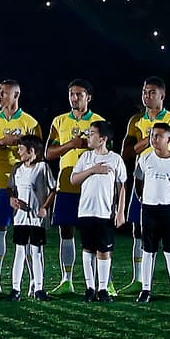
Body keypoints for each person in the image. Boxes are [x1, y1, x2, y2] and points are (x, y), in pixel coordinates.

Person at [122, 76, 170, 294]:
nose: (146, 95)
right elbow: (126, 153)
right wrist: (149, 138)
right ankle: (139, 280)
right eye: (144, 91)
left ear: (162, 95)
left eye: (152, 92)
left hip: (168, 188)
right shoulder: (135, 121)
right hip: (144, 182)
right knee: (138, 231)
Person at [0, 79, 42, 296]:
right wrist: (1, 143)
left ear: (16, 95)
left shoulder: (30, 122)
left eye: (4, 93)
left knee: (28, 234)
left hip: (25, 187)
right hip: (0, 186)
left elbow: (39, 154)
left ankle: (34, 283)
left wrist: (21, 143)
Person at [46, 79, 104, 294]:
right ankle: (67, 280)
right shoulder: (59, 121)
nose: (74, 98)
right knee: (66, 231)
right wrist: (71, 144)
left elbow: (108, 152)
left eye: (79, 94)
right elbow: (48, 153)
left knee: (95, 233)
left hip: (92, 186)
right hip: (67, 184)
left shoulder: (99, 121)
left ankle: (101, 282)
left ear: (89, 97)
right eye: (71, 93)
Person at [132, 122, 170, 303]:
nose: (153, 139)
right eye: (152, 135)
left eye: (158, 136)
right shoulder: (145, 159)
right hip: (149, 210)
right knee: (148, 250)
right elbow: (138, 181)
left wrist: (169, 197)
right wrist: (145, 198)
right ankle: (145, 290)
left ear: (169, 139)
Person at [70, 120, 128, 302]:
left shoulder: (115, 159)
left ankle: (102, 289)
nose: (88, 136)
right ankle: (90, 288)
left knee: (103, 250)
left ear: (103, 139)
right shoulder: (85, 157)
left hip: (105, 212)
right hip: (86, 211)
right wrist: (93, 170)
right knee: (88, 249)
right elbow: (74, 179)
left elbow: (122, 186)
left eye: (92, 133)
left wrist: (120, 211)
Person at [8, 134, 57, 301]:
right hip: (20, 217)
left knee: (36, 252)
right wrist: (12, 199)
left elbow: (53, 189)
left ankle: (39, 288)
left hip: (36, 218)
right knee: (20, 251)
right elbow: (10, 188)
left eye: (21, 149)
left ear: (32, 151)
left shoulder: (42, 168)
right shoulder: (17, 169)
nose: (18, 152)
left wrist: (44, 207)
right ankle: (15, 289)